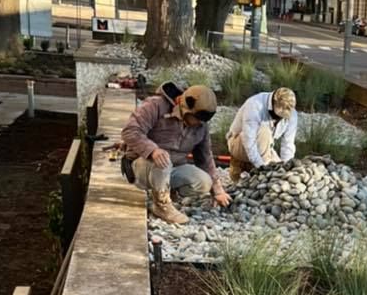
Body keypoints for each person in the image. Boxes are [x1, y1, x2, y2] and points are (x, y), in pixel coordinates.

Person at [121, 81, 230, 225]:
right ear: (185, 106)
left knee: (204, 182)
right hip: (141, 166)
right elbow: (130, 131)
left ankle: (166, 191)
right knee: (163, 159)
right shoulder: (155, 106)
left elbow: (205, 157)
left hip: (172, 168)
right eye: (196, 119)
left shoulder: (201, 125)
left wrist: (217, 190)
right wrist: (152, 150)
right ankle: (162, 205)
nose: (199, 123)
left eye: (202, 121)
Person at [226, 87, 298, 181]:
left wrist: (287, 167)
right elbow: (249, 141)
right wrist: (262, 168)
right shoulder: (255, 105)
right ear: (274, 103)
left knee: (281, 175)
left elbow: (288, 144)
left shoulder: (292, 114)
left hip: (266, 147)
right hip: (239, 143)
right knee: (264, 130)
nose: (284, 117)